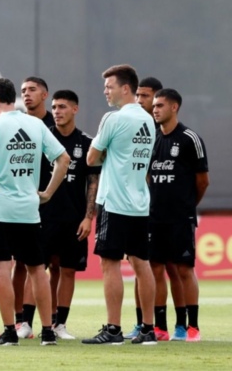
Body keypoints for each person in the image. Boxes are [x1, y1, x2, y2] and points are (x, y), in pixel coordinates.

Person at [0, 77, 70, 346]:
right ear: (13, 97)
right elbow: (64, 159)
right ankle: (48, 331)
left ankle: (9, 331)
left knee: (1, 267)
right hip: (28, 209)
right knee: (38, 270)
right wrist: (47, 193)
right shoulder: (35, 124)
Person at [82, 64, 157, 345]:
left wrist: (107, 156)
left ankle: (113, 329)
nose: (105, 91)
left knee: (110, 263)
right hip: (139, 202)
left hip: (114, 202)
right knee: (142, 264)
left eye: (109, 86)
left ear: (126, 88)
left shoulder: (113, 119)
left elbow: (91, 159)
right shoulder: (149, 120)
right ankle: (148, 328)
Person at [149, 88, 209, 342]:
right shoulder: (152, 139)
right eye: (154, 106)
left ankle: (191, 327)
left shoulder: (189, 139)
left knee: (184, 270)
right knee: (156, 269)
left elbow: (203, 181)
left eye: (160, 105)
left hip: (180, 218)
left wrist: (187, 206)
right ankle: (160, 327)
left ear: (174, 107)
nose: (155, 109)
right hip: (154, 218)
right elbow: (149, 177)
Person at [42, 90, 100, 340]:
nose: (56, 111)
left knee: (67, 270)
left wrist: (89, 217)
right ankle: (26, 323)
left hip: (73, 218)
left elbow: (93, 182)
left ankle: (60, 325)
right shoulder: (43, 138)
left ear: (75, 109)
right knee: (36, 268)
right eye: (54, 107)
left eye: (62, 107)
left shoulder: (86, 143)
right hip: (41, 217)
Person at [128, 76, 174, 340]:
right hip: (137, 210)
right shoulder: (137, 128)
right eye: (138, 96)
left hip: (161, 213)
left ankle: (162, 325)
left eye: (145, 96)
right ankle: (141, 324)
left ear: (158, 98)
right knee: (139, 267)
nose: (140, 101)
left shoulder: (163, 132)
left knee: (158, 267)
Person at [16, 76, 54, 336]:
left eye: (32, 90)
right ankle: (22, 320)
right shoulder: (18, 124)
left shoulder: (55, 124)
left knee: (49, 265)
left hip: (50, 204)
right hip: (23, 203)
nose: (26, 94)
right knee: (20, 264)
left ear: (45, 95)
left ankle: (54, 323)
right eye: (23, 91)